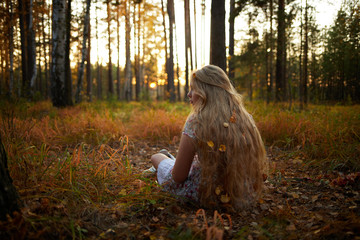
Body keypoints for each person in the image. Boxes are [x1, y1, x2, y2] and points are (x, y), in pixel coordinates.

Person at [150, 65, 267, 209]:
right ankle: (173, 158)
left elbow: (178, 177)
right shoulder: (245, 119)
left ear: (205, 92)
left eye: (193, 89)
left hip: (205, 195)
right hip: (242, 196)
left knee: (156, 157)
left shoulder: (197, 121)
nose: (188, 94)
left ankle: (165, 157)